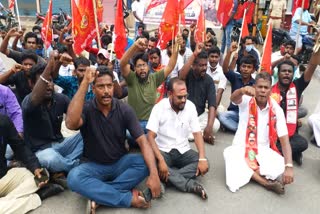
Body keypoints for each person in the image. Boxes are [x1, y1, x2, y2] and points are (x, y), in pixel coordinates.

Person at [66, 67, 161, 211]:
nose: (106, 91)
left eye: (109, 86)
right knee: (74, 178)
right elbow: (71, 123)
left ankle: (99, 195)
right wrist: (85, 82)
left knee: (147, 162)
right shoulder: (86, 108)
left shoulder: (124, 109)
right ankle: (125, 198)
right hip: (93, 166)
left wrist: (154, 175)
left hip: (119, 163)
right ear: (93, 88)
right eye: (100, 86)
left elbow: (143, 141)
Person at [224, 72, 294, 194]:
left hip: (262, 150)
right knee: (229, 154)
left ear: (271, 90)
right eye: (259, 87)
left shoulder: (276, 109)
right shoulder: (247, 99)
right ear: (254, 87)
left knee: (280, 165)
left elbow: (284, 140)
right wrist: (241, 90)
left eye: (266, 87)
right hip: (241, 147)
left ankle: (249, 170)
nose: (262, 90)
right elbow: (233, 99)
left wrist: (289, 166)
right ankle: (265, 182)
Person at [147, 78, 209, 199]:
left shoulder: (190, 107)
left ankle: (165, 179)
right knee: (150, 162)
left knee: (204, 163)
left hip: (183, 150)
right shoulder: (159, 108)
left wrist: (202, 158)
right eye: (179, 97)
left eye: (185, 96)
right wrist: (161, 160)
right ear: (170, 94)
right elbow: (150, 136)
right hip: (163, 151)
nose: (183, 100)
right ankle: (189, 185)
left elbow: (197, 134)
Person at [22, 54, 83, 173]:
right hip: (40, 151)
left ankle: (62, 167)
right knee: (50, 159)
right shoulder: (28, 102)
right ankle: (75, 165)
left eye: (50, 81)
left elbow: (77, 117)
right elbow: (35, 98)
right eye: (43, 82)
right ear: (32, 84)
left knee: (88, 134)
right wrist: (50, 65)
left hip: (61, 145)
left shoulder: (61, 99)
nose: (48, 85)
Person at [0, 114, 63, 214]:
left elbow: (20, 147)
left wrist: (35, 168)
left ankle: (7, 202)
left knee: (35, 178)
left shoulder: (3, 121)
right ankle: (37, 197)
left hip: (3, 178)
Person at [120, 36, 182, 134]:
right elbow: (122, 63)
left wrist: (177, 46)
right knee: (128, 134)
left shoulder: (155, 78)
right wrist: (135, 46)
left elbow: (170, 66)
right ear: (135, 68)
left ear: (148, 67)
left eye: (144, 65)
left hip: (151, 124)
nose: (142, 68)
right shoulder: (131, 78)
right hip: (134, 123)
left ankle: (145, 141)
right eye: (139, 66)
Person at [271, 48, 320, 165]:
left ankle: (280, 152)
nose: (287, 73)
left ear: (293, 74)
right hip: (272, 132)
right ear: (278, 73)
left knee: (303, 143)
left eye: (289, 71)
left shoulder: (297, 86)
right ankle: (290, 153)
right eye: (283, 71)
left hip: (290, 133)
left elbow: (311, 67)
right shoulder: (270, 89)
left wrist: (317, 50)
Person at [179, 43, 220, 144]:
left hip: (199, 117)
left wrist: (209, 128)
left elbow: (212, 105)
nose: (204, 68)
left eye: (206, 65)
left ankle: (194, 134)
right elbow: (181, 76)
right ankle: (197, 134)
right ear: (193, 66)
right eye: (201, 65)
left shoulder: (209, 80)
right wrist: (194, 54)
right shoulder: (188, 74)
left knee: (215, 125)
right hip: (184, 116)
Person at [218, 42, 256, 132]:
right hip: (234, 113)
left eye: (249, 67)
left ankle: (238, 128)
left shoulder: (255, 84)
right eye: (244, 66)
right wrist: (229, 52)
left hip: (248, 115)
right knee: (222, 116)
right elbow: (225, 70)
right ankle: (242, 130)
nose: (246, 69)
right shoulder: (236, 77)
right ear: (240, 68)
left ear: (253, 70)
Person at [206, 46, 227, 111]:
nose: (214, 59)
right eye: (212, 56)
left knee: (221, 113)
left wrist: (213, 109)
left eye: (216, 57)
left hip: (215, 102)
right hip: (201, 100)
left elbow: (219, 93)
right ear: (208, 57)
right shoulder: (204, 68)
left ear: (219, 58)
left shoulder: (222, 72)